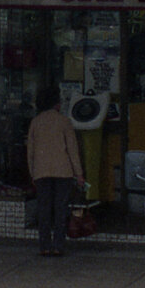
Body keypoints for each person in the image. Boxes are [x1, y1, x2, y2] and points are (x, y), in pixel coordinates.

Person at [25, 86, 86, 257]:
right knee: (60, 209)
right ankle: (58, 245)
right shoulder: (64, 122)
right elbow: (72, 150)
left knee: (44, 209)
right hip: (63, 172)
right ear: (57, 104)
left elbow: (30, 151)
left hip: (41, 172)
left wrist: (32, 172)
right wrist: (79, 173)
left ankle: (44, 246)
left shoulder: (35, 122)